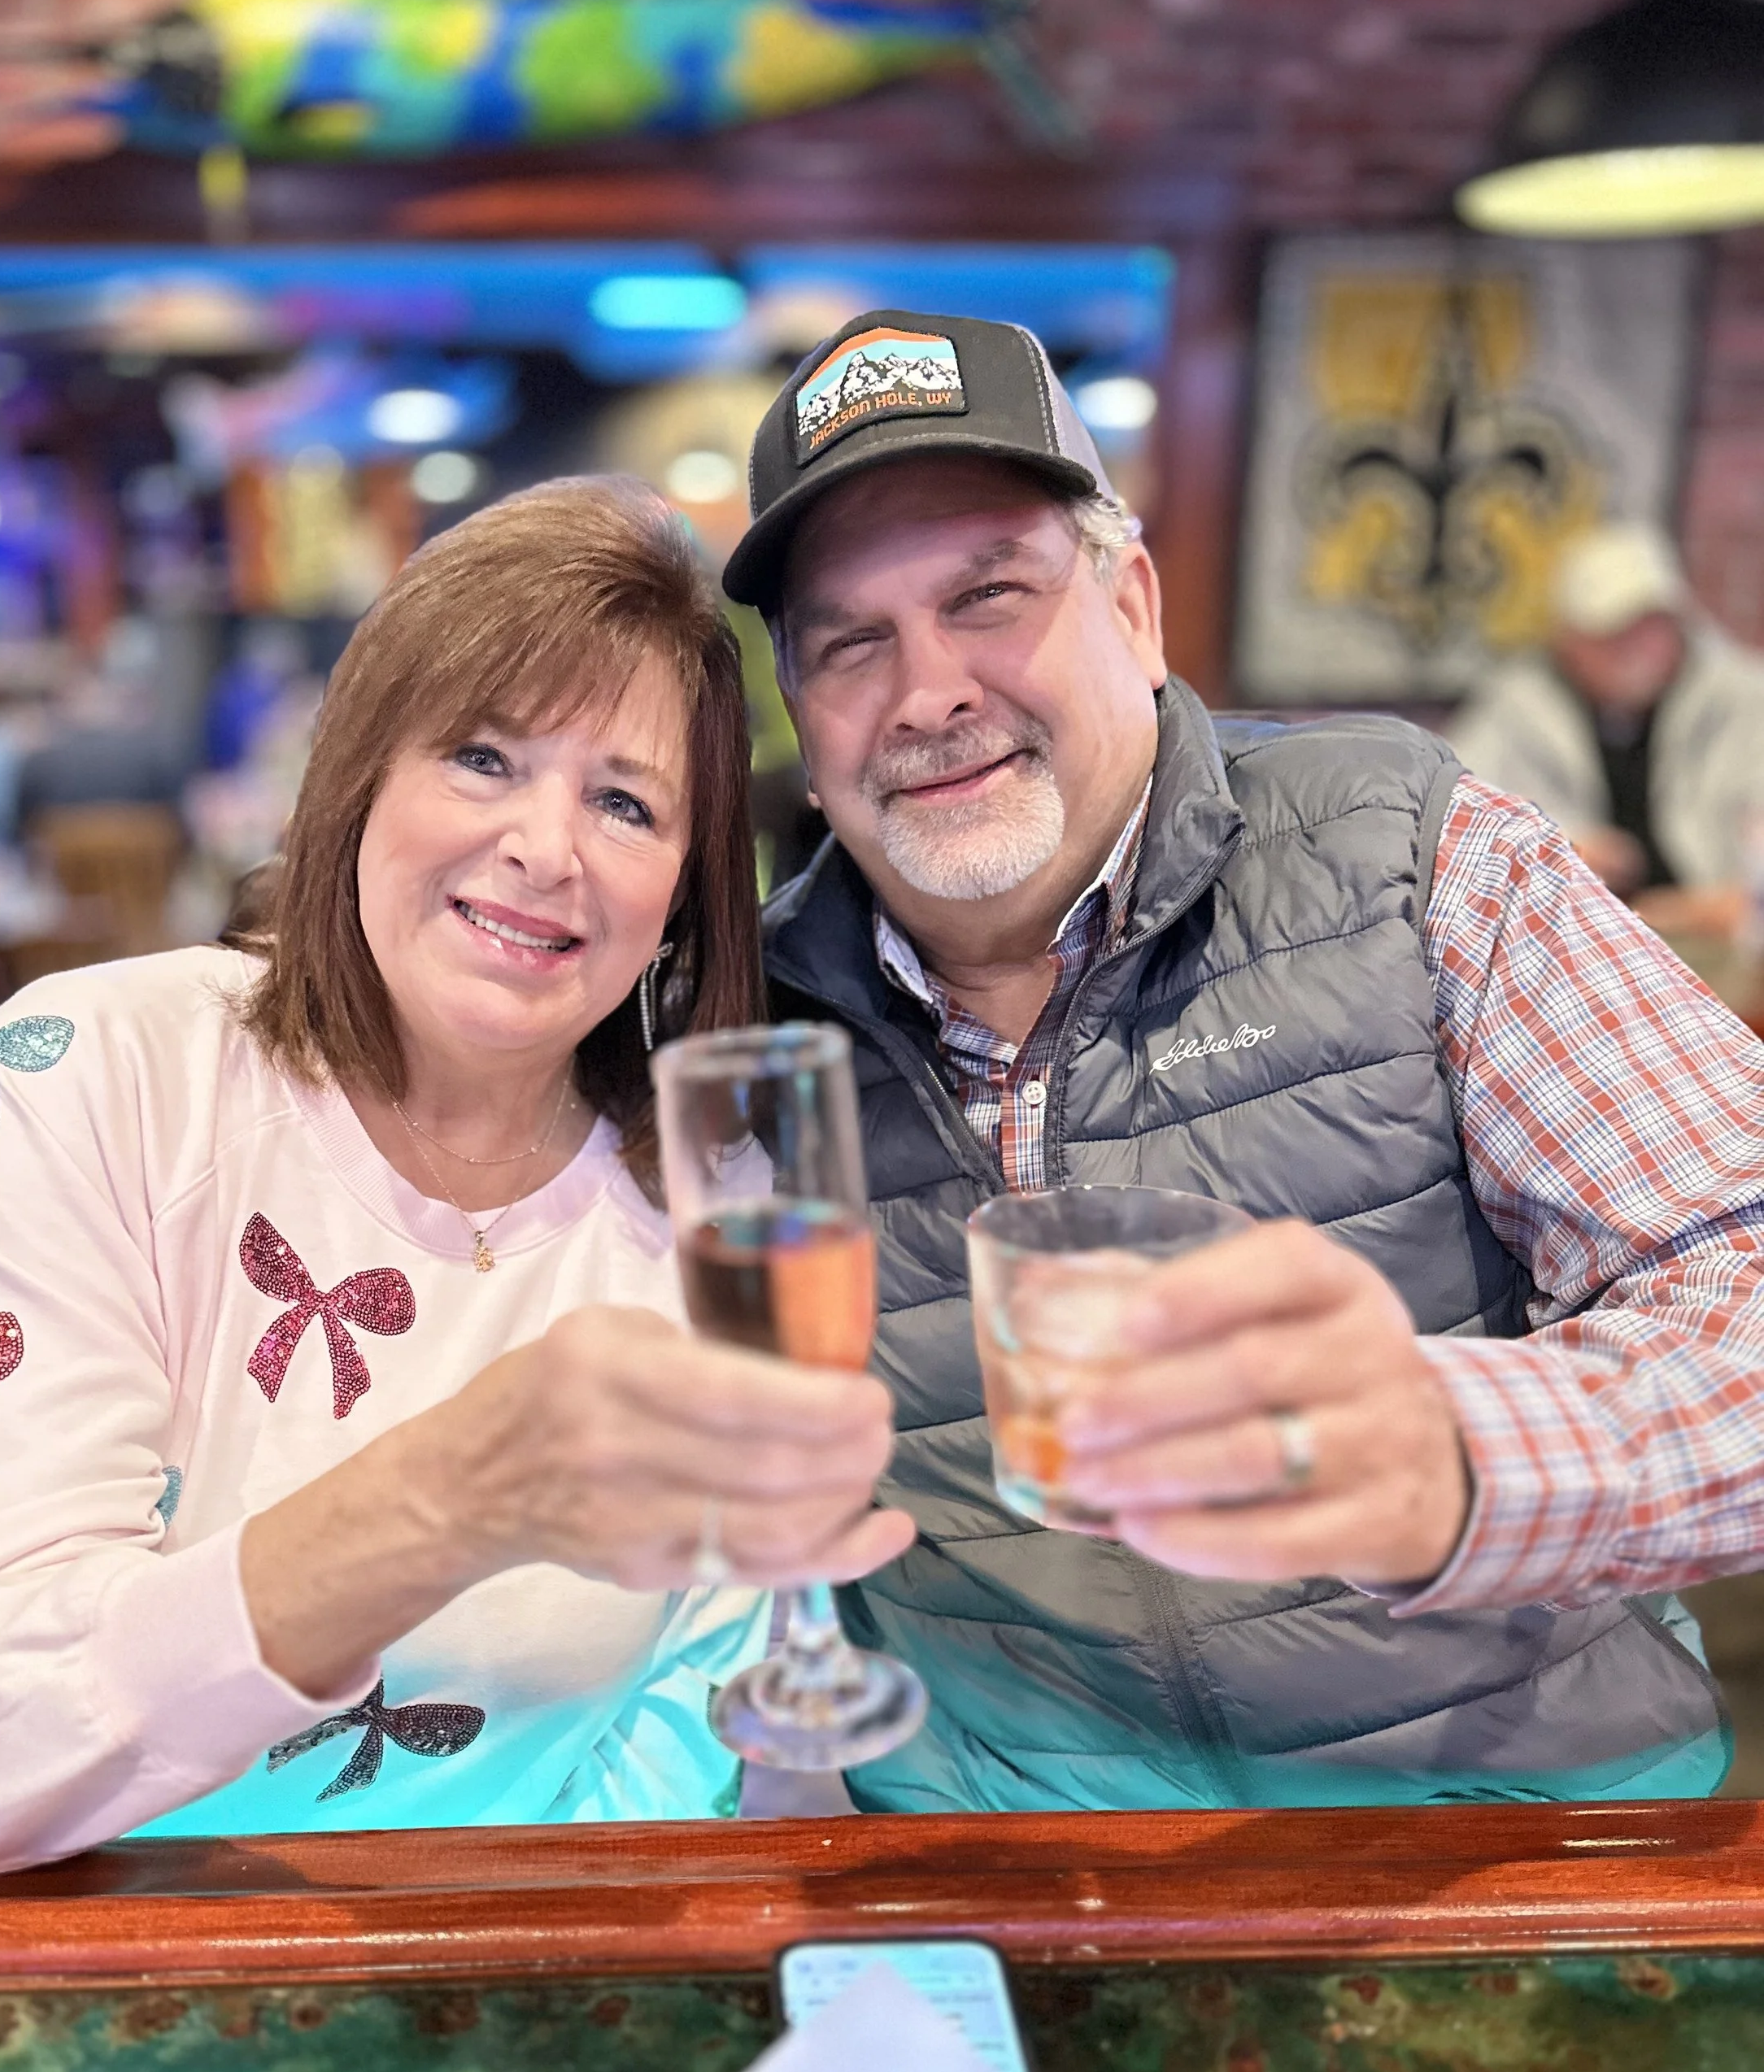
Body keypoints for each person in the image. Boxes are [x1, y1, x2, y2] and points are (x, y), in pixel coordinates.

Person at [0, 477, 911, 1870]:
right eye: (482, 757)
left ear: (683, 887)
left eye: (625, 800)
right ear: (358, 777)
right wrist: (447, 1498)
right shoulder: (93, 1075)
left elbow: (678, 1756)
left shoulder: (706, 1213)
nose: (547, 848)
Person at [720, 310, 1764, 1813]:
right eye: (851, 642)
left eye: (988, 595)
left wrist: (1459, 1461)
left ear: (1133, 608)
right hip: (1010, 1891)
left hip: (1504, 1856)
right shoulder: (741, 1024)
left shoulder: (1413, 853)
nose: (929, 689)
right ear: (805, 727)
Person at [1448, 520, 1764, 927]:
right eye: (1611, 629)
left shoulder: (1745, 699)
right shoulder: (1514, 709)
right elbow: (1456, 824)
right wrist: (1554, 850)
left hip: (1724, 943)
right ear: (1568, 638)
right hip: (1566, 940)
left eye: (1651, 624)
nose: (1636, 646)